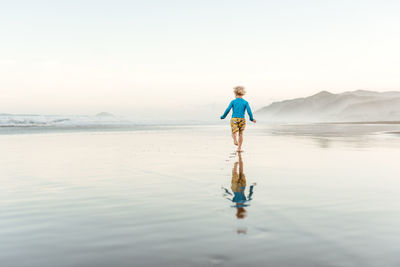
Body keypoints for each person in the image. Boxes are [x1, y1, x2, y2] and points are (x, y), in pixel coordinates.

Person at [220, 86, 256, 152]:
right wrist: (251, 119)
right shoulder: (245, 102)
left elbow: (228, 109)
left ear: (235, 93)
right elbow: (249, 111)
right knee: (241, 134)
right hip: (242, 119)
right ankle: (239, 148)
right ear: (243, 94)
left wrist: (223, 116)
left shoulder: (233, 101)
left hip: (234, 119)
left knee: (234, 132)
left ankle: (235, 140)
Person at [222, 153, 256, 219]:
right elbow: (228, 195)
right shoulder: (234, 203)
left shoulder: (246, 203)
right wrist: (224, 189)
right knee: (236, 173)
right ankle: (236, 164)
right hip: (236, 188)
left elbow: (250, 194)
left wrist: (252, 186)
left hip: (242, 187)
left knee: (240, 172)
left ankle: (238, 163)